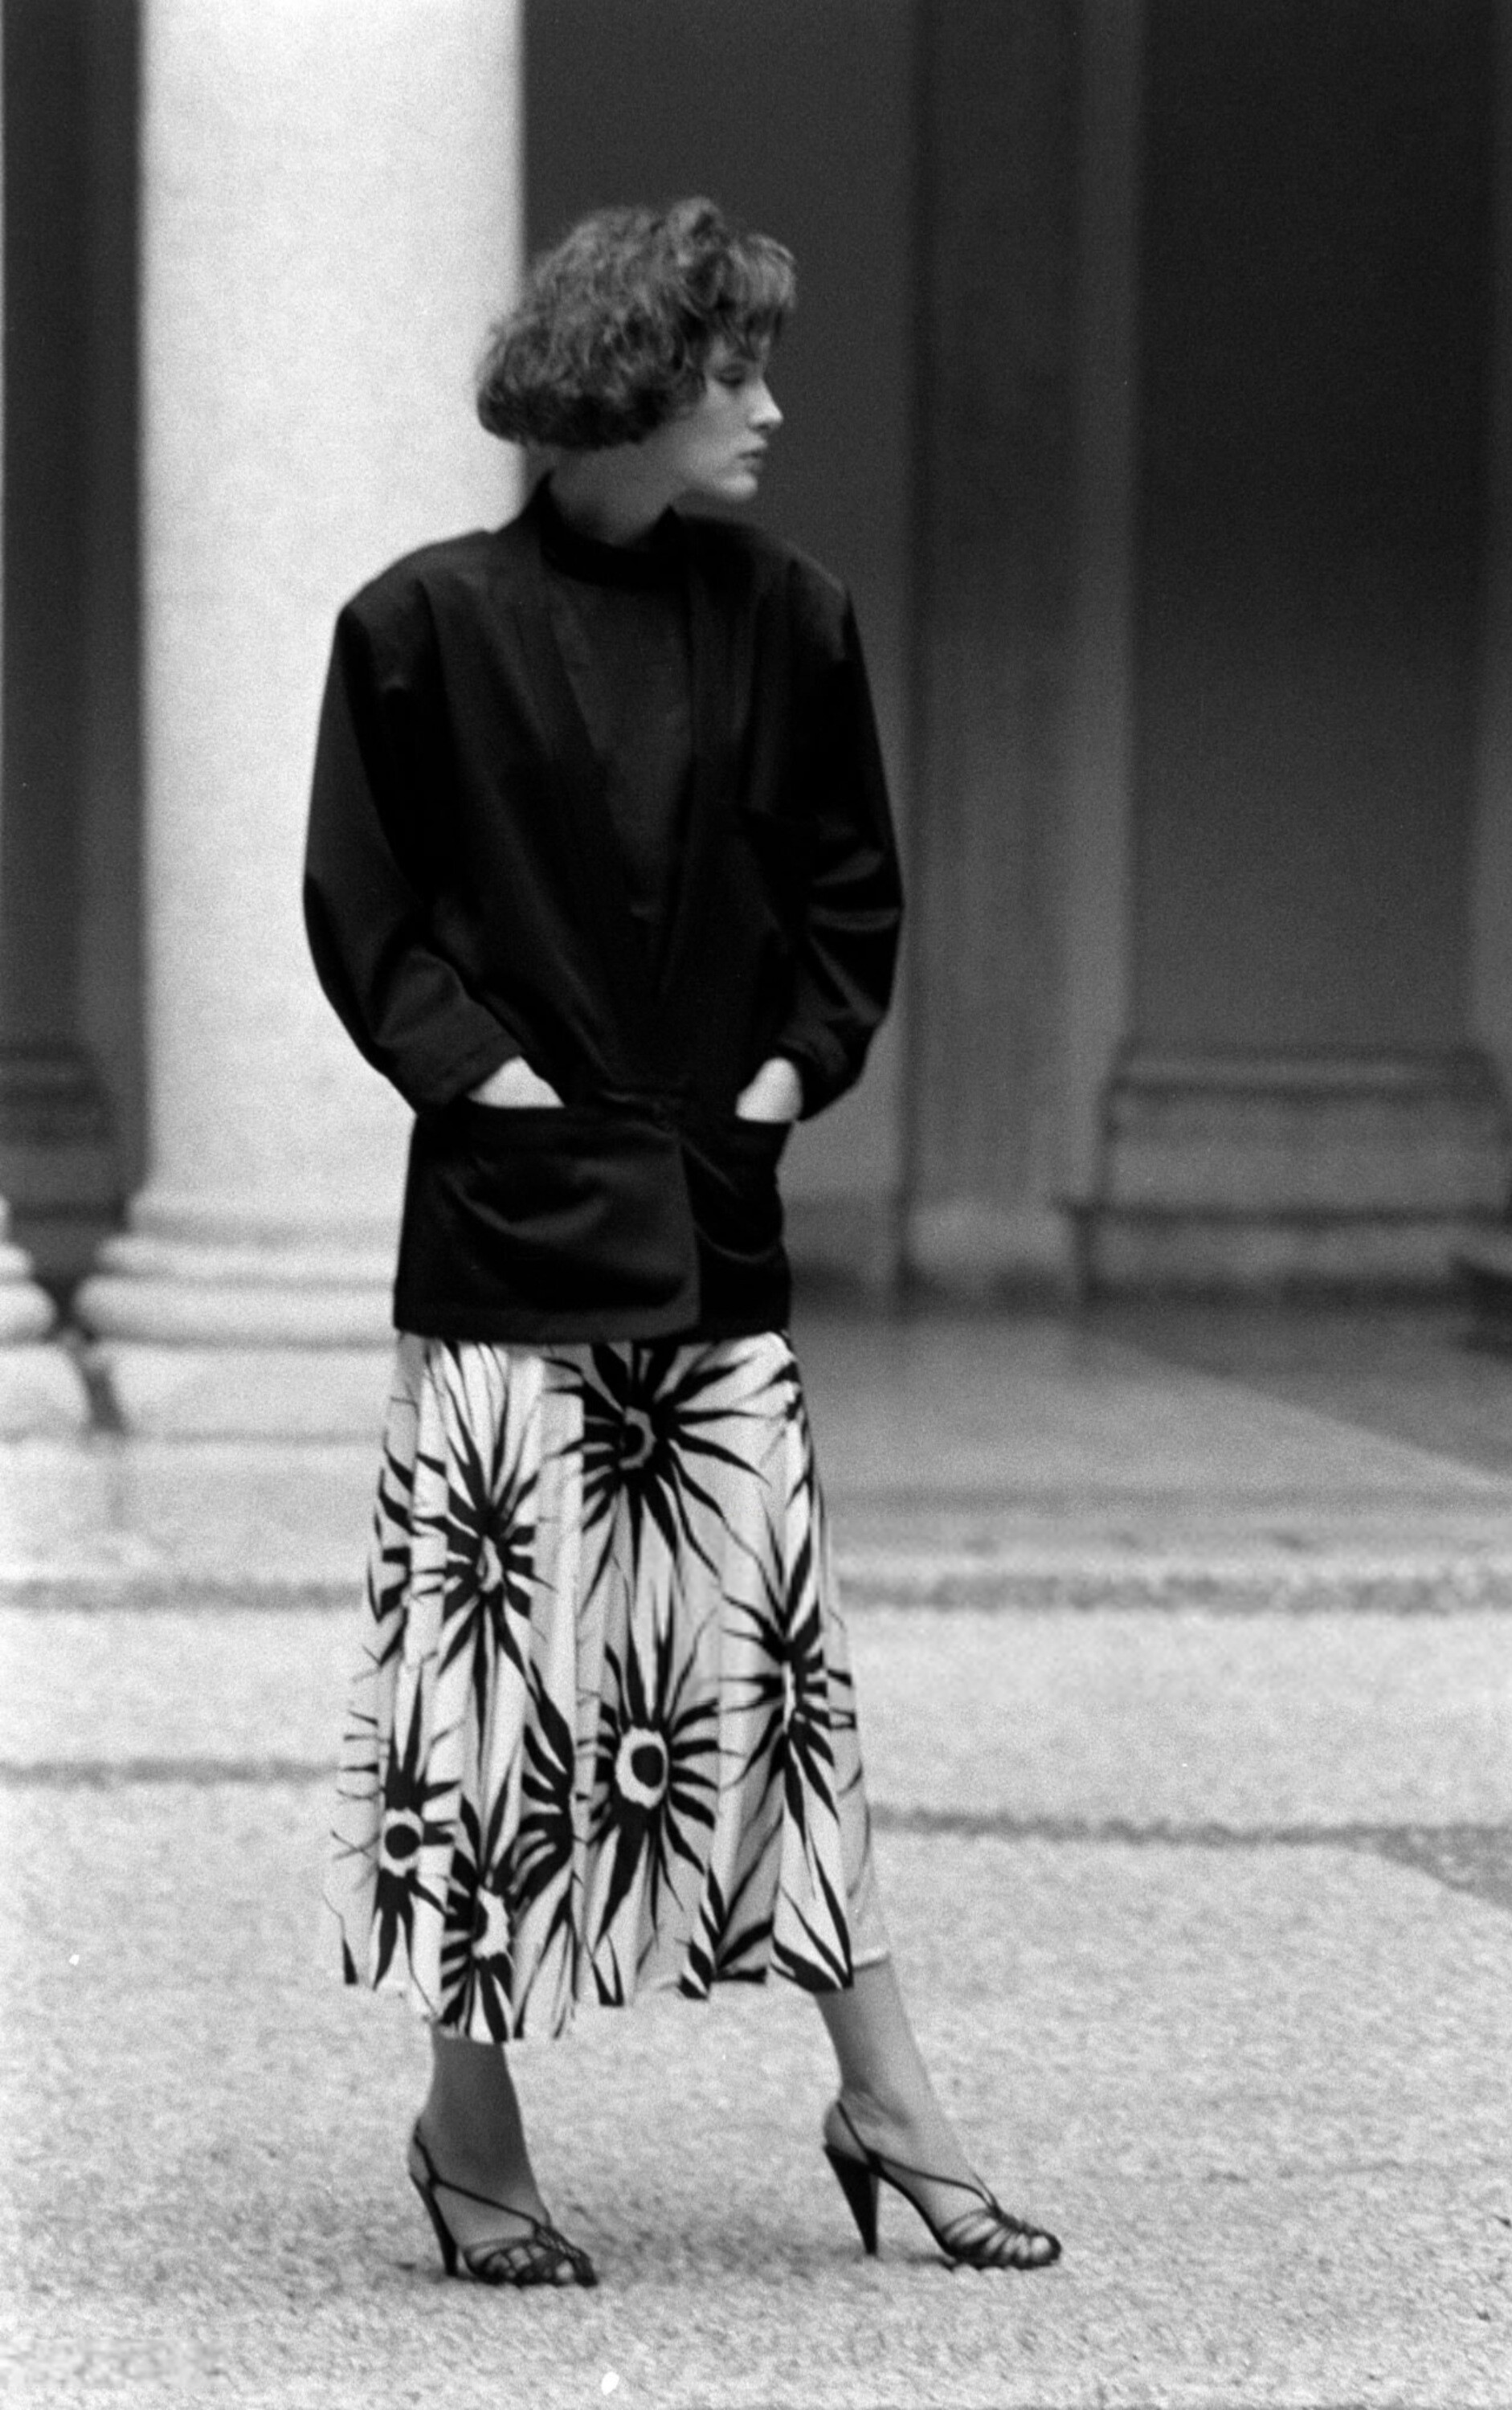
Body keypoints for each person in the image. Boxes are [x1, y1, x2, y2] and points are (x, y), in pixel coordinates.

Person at [304, 198, 1059, 2288]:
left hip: (711, 1237)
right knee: (494, 1686)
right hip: (510, 1239)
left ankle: (887, 2095)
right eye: (737, 371)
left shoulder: (794, 618)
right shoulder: (414, 626)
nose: (769, 407)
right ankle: (468, 2126)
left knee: (778, 1677)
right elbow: (366, 916)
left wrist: (785, 1083)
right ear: (633, 381)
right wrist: (497, 1089)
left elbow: (850, 895)